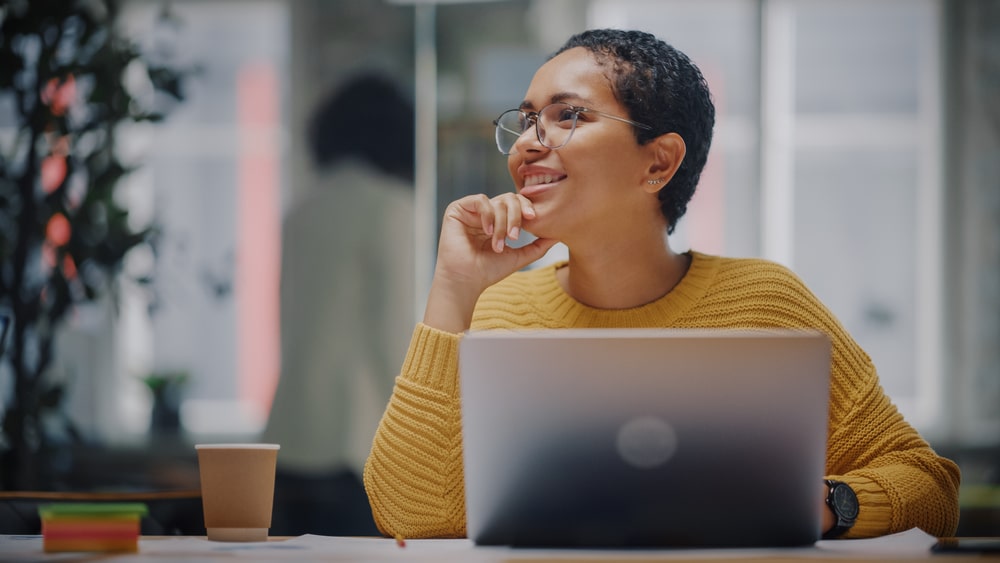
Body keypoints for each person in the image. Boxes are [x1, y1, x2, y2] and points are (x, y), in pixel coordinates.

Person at [362, 29, 960, 540]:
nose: (525, 143)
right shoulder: (495, 311)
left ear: (659, 163)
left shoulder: (767, 301)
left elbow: (931, 488)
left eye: (568, 115)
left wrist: (829, 505)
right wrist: (453, 287)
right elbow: (410, 515)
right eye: (526, 120)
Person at [263, 72, 415, 536]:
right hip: (355, 443)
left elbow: (287, 320)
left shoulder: (302, 210)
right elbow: (394, 335)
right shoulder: (389, 205)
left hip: (288, 434)